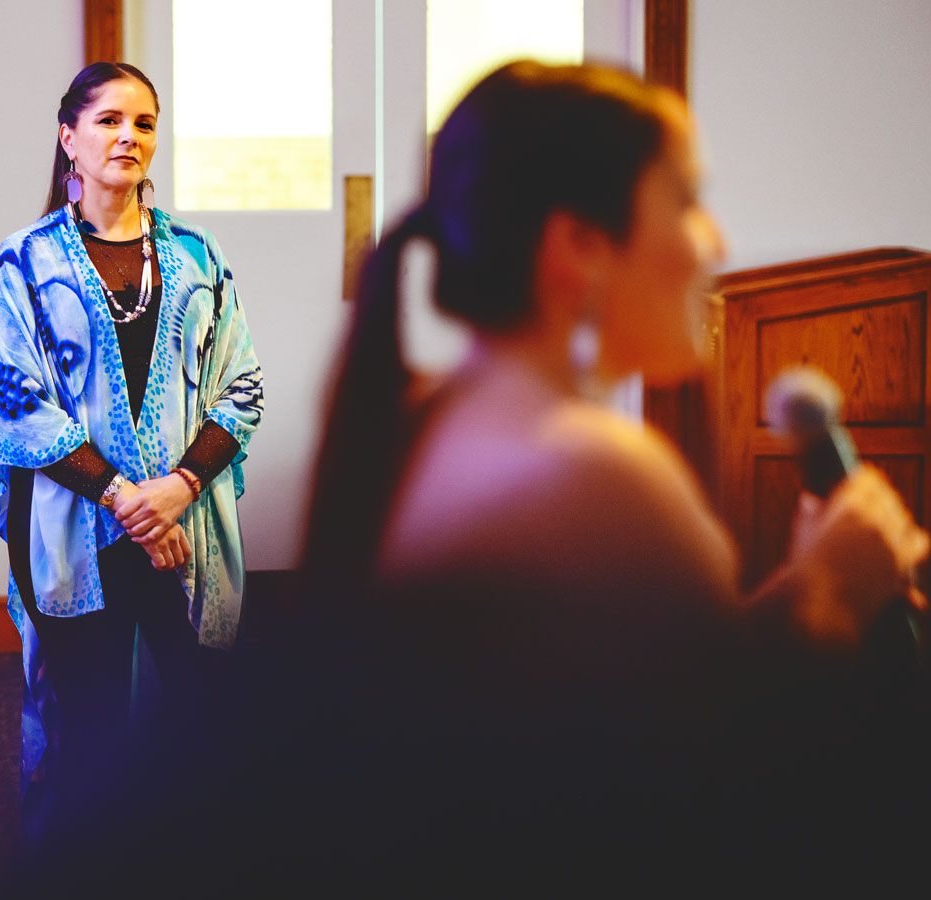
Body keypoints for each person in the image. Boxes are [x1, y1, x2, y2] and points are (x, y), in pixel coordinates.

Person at [297, 59, 931, 890]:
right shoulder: (591, 467)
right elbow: (716, 795)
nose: (718, 242)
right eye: (687, 200)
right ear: (580, 247)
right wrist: (832, 602)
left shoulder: (438, 415)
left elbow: (647, 696)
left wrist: (811, 575)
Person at [0, 62, 264, 842]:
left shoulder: (200, 256)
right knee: (88, 729)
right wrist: (130, 501)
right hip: (73, 529)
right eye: (108, 121)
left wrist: (177, 487)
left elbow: (243, 389)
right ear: (69, 137)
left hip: (186, 524)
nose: (128, 137)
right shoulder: (26, 258)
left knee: (200, 721)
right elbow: (18, 399)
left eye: (143, 123)